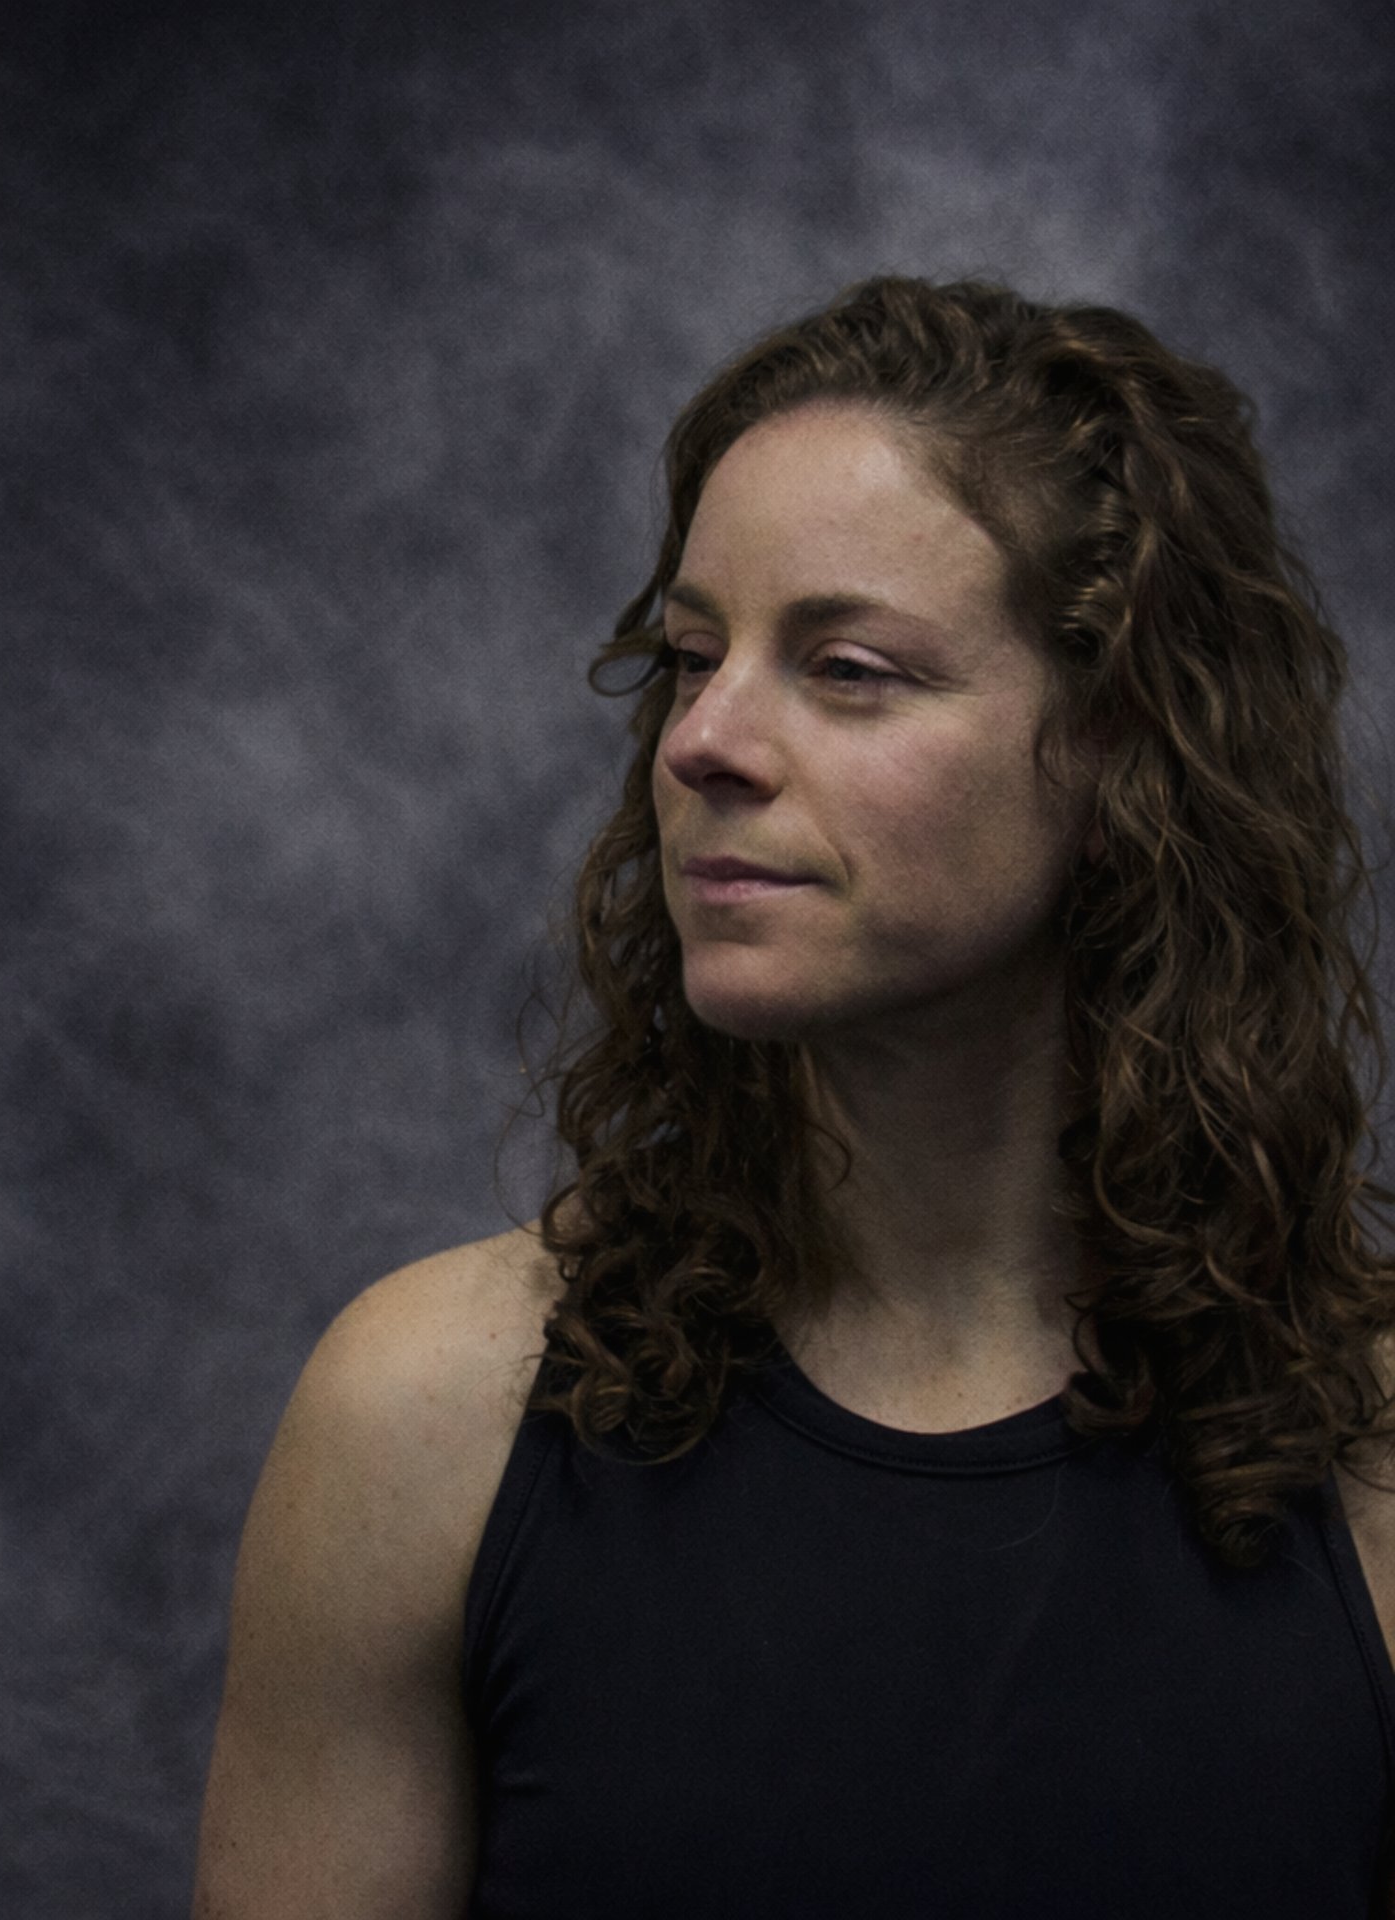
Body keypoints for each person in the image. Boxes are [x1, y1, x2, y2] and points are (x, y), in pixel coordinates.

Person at [190, 276, 1395, 1917]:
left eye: (847, 667)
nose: (704, 740)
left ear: (1124, 750)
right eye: (692, 655)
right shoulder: (427, 1419)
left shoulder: (1373, 1452)